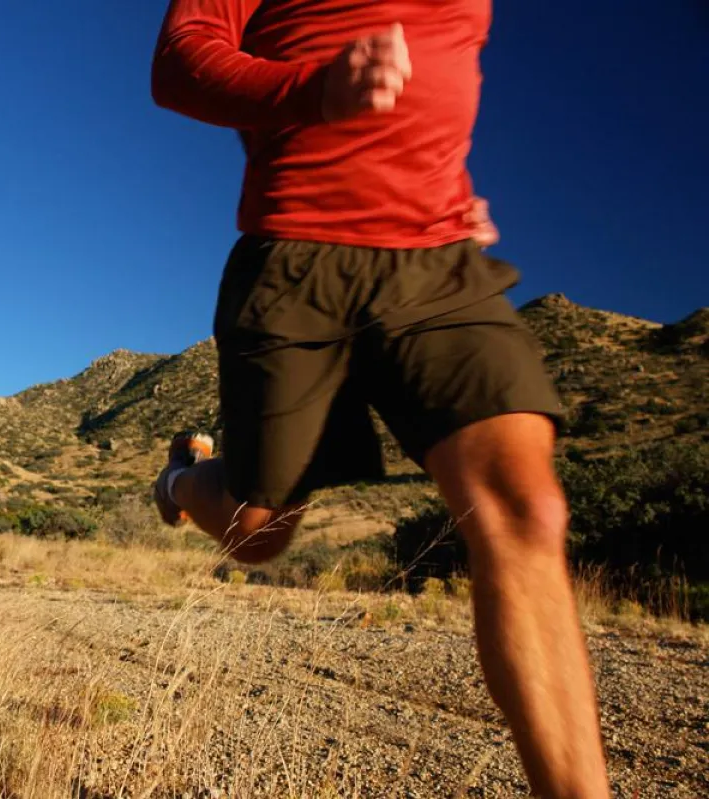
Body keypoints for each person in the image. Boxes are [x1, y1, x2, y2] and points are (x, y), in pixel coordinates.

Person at [148, 2, 611, 797]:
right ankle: (183, 479)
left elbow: (442, 69)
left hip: (435, 259)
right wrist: (314, 89)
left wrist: (451, 183)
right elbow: (181, 59)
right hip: (296, 255)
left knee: (526, 507)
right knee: (259, 532)